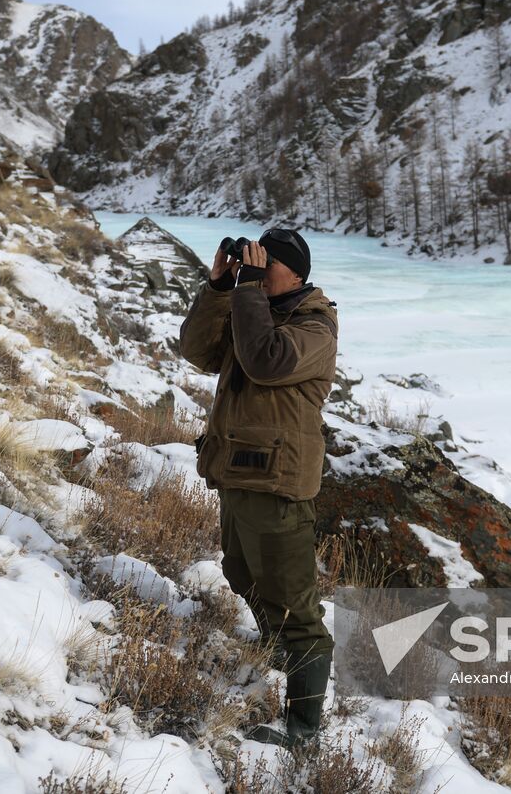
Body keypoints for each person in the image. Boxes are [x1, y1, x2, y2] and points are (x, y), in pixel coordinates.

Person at [177, 227, 339, 748]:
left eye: (268, 264)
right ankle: (277, 650)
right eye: (256, 262)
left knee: (298, 614)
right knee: (240, 571)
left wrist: (247, 291)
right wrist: (220, 288)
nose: (260, 271)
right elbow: (197, 350)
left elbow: (266, 361)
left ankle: (304, 731)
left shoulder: (315, 325)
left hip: (277, 485)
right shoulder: (254, 309)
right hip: (238, 473)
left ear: (295, 273)